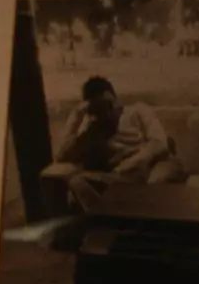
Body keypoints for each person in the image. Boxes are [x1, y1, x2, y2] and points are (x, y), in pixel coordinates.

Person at [57, 76, 185, 210]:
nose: (103, 112)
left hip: (155, 165)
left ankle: (132, 216)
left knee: (155, 183)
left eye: (105, 104)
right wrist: (75, 116)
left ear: (111, 97)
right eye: (96, 107)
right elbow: (62, 155)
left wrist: (131, 163)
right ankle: (110, 221)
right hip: (124, 178)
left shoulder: (137, 110)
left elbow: (159, 144)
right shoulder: (93, 128)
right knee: (77, 182)